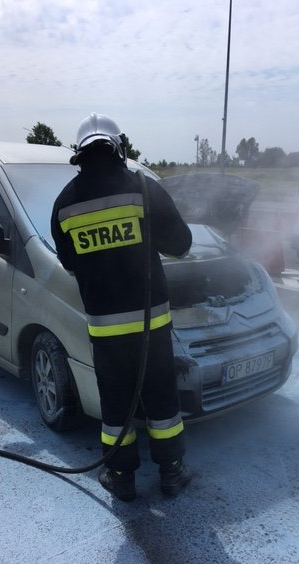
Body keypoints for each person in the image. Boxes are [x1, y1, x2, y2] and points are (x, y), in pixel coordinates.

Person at [51, 113, 192, 501]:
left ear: (78, 154)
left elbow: (68, 262)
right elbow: (181, 244)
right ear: (120, 147)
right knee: (162, 399)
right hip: (152, 324)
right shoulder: (145, 190)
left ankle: (120, 476)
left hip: (105, 330)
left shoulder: (64, 205)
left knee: (115, 404)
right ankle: (172, 473)